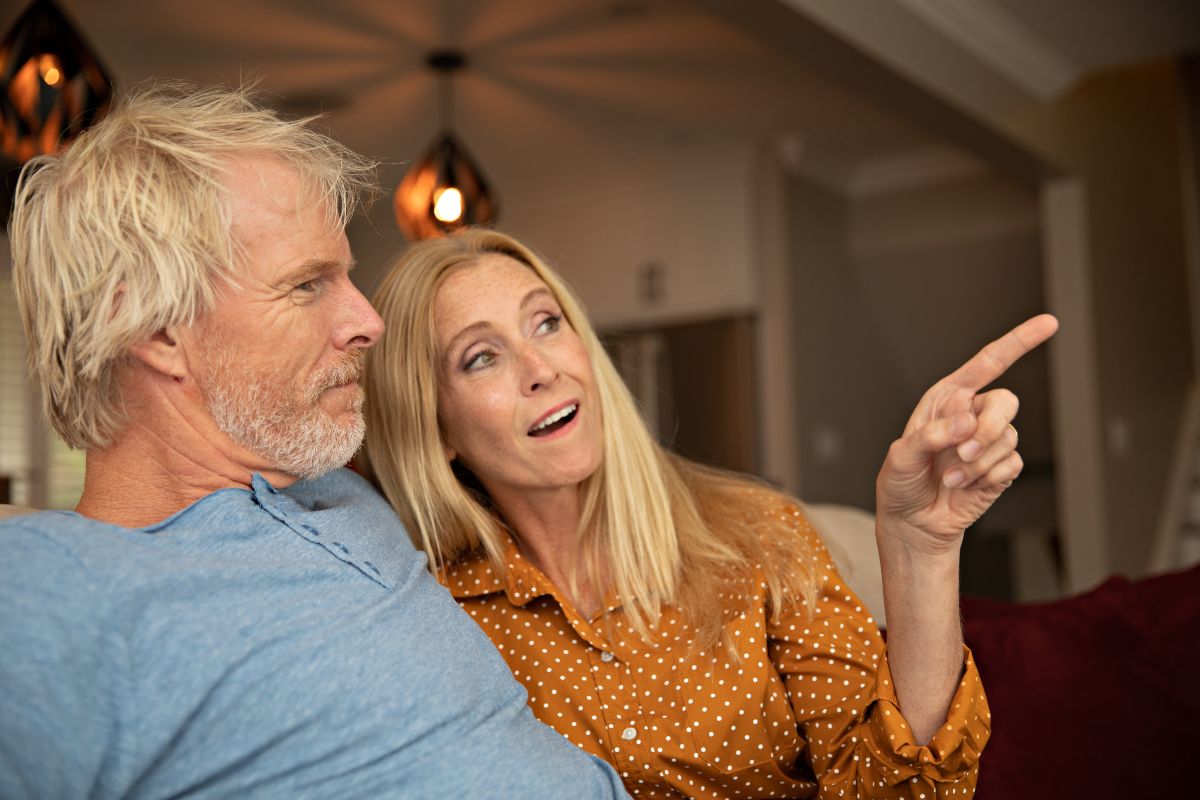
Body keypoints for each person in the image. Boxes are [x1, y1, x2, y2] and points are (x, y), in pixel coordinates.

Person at [0, 84, 628, 799]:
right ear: (158, 332)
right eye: (306, 286)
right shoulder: (60, 590)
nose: (368, 320)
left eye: (347, 277)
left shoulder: (331, 484)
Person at [362, 228, 1058, 799]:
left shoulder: (757, 534)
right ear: (438, 428)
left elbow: (902, 793)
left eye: (546, 322)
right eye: (481, 358)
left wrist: (920, 548)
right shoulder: (433, 614)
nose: (540, 366)